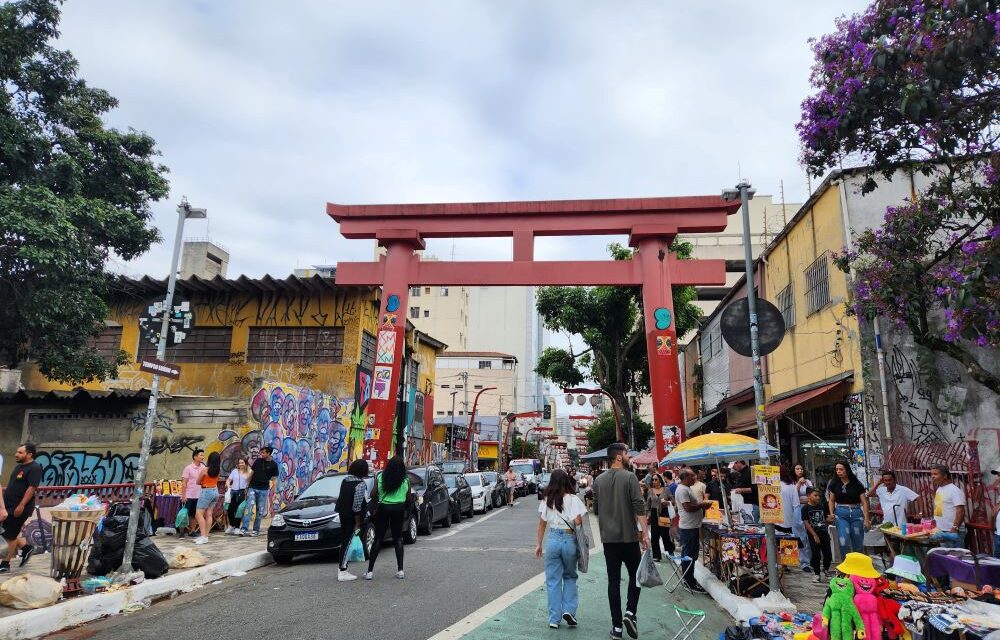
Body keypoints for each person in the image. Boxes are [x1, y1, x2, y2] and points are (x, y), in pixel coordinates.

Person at [592, 443, 649, 640]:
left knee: (613, 582)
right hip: (629, 538)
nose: (628, 457)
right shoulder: (630, 477)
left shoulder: (598, 480)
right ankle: (630, 612)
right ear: (618, 457)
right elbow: (639, 506)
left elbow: (596, 509)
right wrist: (645, 534)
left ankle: (617, 628)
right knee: (636, 576)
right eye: (626, 454)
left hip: (609, 540)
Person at [536, 469, 586, 630]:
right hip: (568, 539)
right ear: (566, 481)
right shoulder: (573, 499)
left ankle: (554, 619)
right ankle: (569, 611)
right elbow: (578, 522)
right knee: (570, 576)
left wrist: (539, 544)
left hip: (552, 540)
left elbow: (542, 524)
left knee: (552, 580)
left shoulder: (547, 499)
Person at [365, 456, 410, 580]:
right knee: (398, 538)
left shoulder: (380, 477)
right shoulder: (405, 480)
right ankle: (400, 570)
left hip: (384, 508)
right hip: (399, 508)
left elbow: (373, 494)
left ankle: (370, 571)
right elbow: (408, 498)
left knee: (378, 538)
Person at [1, 443, 42, 573]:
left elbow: (31, 488)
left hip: (19, 508)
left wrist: (21, 505)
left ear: (29, 454)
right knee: (5, 531)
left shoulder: (34, 468)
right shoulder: (19, 467)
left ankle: (5, 564)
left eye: (20, 452)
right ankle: (26, 548)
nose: (16, 454)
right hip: (8, 505)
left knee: (10, 535)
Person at [675, 468, 711, 593]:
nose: (694, 478)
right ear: (685, 477)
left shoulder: (686, 488)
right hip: (689, 528)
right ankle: (689, 581)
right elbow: (688, 508)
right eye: (692, 476)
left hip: (692, 526)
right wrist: (702, 505)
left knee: (691, 555)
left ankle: (689, 579)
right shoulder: (682, 490)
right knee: (689, 555)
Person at [335, 459, 369, 582]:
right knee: (348, 542)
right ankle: (342, 570)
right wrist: (358, 522)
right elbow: (357, 505)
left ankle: (342, 568)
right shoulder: (360, 484)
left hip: (342, 513)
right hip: (352, 516)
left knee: (344, 541)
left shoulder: (345, 480)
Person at [826, 461, 869, 554]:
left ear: (847, 470)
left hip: (856, 512)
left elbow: (864, 502)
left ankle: (857, 565)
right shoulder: (834, 483)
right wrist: (831, 513)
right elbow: (831, 500)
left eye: (841, 469)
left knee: (858, 542)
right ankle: (845, 566)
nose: (838, 471)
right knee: (843, 541)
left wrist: (866, 519)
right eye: (837, 469)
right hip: (841, 513)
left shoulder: (856, 484)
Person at [240, 446, 279, 536]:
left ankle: (256, 530)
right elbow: (251, 473)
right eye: (261, 453)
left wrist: (275, 491)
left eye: (263, 453)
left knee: (260, 511)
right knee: (248, 508)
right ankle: (244, 529)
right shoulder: (258, 461)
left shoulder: (274, 465)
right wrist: (247, 486)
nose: (261, 454)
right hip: (252, 488)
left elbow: (275, 479)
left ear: (269, 453)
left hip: (264, 490)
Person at [802, 488, 834, 582]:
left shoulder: (822, 506)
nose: (818, 497)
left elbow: (826, 519)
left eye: (819, 496)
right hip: (813, 534)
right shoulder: (805, 508)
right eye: (815, 495)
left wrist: (830, 519)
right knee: (816, 555)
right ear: (808, 496)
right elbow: (806, 523)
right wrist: (814, 535)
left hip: (824, 532)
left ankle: (826, 569)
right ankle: (816, 574)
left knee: (828, 554)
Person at [930, 464, 965, 548]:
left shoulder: (954, 490)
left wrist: (955, 528)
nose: (932, 476)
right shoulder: (939, 489)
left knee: (956, 559)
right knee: (946, 559)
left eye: (935, 474)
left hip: (952, 531)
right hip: (941, 531)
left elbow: (961, 510)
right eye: (932, 474)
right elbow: (939, 510)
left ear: (945, 475)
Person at [193, 452, 221, 545]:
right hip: (215, 491)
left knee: (198, 514)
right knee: (209, 514)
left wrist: (203, 483)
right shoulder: (218, 470)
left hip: (206, 491)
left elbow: (197, 481)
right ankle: (205, 536)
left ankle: (203, 535)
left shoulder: (205, 469)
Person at [646, 473, 675, 561]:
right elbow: (648, 505)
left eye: (656, 479)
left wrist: (667, 502)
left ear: (660, 480)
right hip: (654, 513)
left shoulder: (666, 489)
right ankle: (656, 555)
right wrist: (648, 516)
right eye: (653, 480)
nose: (654, 481)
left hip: (664, 512)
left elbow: (673, 501)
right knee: (654, 536)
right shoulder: (650, 491)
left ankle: (670, 551)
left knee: (665, 535)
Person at [792, 463, 814, 571]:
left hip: (808, 509)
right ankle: (803, 561)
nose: (800, 470)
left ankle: (812, 559)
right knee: (801, 536)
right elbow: (793, 496)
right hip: (797, 510)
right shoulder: (792, 483)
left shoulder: (808, 482)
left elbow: (812, 496)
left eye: (801, 468)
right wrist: (798, 485)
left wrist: (802, 499)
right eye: (797, 469)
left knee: (810, 534)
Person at [179, 449, 205, 538]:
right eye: (201, 455)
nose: (203, 457)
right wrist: (183, 495)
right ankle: (181, 532)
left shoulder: (203, 468)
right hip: (189, 495)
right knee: (184, 513)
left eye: (203, 455)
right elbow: (184, 483)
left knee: (194, 515)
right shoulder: (188, 468)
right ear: (195, 457)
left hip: (198, 495)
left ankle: (192, 531)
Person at [225, 457, 251, 535]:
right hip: (233, 492)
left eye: (242, 463)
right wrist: (228, 485)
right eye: (239, 463)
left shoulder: (249, 472)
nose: (240, 464)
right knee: (230, 510)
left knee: (239, 511)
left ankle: (237, 527)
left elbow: (249, 483)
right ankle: (231, 525)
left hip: (242, 493)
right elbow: (229, 480)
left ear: (246, 463)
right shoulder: (234, 471)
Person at [778, 465, 799, 535]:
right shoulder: (792, 487)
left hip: (773, 521)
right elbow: (796, 506)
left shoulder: (771, 486)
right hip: (788, 521)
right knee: (788, 545)